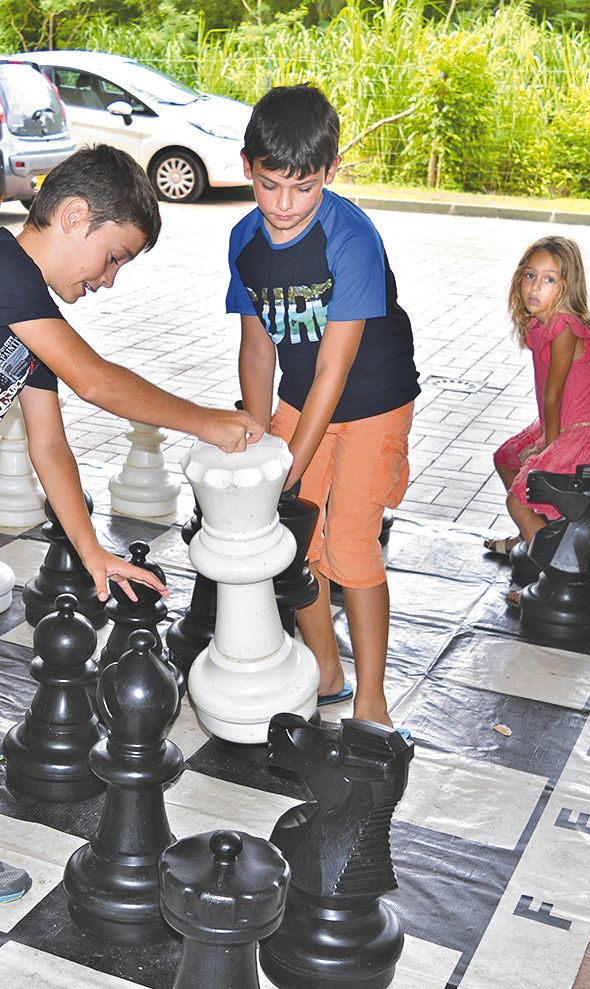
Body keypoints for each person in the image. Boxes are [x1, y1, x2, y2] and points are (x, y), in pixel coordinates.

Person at [0, 146, 263, 905]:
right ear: (72, 217)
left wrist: (89, 547)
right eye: (112, 257)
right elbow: (96, 381)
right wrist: (207, 421)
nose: (107, 279)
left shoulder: (21, 307)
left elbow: (49, 442)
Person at [229, 84, 419, 730]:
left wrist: (285, 471)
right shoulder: (244, 243)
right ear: (246, 167)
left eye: (302, 188)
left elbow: (334, 373)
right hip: (299, 394)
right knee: (288, 537)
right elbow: (257, 352)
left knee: (347, 541)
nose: (284, 206)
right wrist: (258, 442)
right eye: (268, 185)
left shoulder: (351, 239)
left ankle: (372, 700)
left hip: (372, 398)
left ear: (329, 173)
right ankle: (326, 670)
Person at [484, 235, 590, 600]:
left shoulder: (562, 327)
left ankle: (545, 573)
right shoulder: (541, 325)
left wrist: (546, 445)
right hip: (562, 424)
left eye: (549, 280)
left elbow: (553, 392)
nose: (535, 287)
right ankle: (535, 537)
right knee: (506, 458)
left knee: (518, 498)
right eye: (530, 276)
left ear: (567, 286)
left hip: (581, 433)